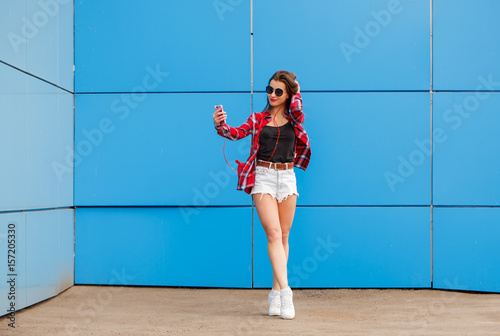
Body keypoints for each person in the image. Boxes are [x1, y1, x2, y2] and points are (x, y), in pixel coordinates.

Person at [212, 70, 311, 319]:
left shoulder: (295, 118)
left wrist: (296, 88)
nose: (273, 95)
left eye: (279, 91)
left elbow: (298, 106)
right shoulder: (257, 119)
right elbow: (235, 133)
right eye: (269, 90)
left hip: (287, 177)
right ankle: (287, 292)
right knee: (274, 233)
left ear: (288, 94)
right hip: (263, 177)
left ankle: (275, 292)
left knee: (285, 236)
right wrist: (220, 125)